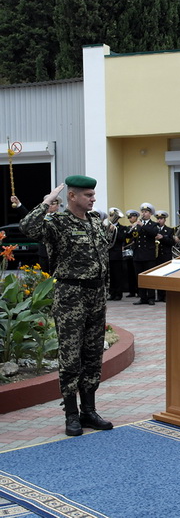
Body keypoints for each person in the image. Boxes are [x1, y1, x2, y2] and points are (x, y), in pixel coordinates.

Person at [20, 176, 114, 437]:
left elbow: (103, 258)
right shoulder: (57, 223)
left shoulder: (96, 222)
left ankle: (90, 411)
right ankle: (71, 415)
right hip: (71, 294)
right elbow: (27, 227)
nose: (93, 199)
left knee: (93, 355)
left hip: (96, 295)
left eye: (93, 194)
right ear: (72, 196)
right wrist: (47, 202)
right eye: (87, 195)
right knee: (71, 355)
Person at [10, 194, 61, 272]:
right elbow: (29, 218)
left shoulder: (61, 218)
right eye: (48, 203)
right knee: (45, 278)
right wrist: (19, 204)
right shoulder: (40, 217)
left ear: (58, 205)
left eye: (53, 203)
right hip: (43, 253)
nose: (50, 205)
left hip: (57, 254)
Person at [131, 203, 158, 305]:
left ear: (150, 214)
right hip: (138, 255)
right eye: (142, 212)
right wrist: (133, 228)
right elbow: (131, 236)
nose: (143, 213)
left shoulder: (153, 224)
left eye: (146, 212)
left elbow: (153, 233)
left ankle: (151, 297)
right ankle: (142, 297)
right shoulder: (137, 224)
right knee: (140, 277)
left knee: (149, 277)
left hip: (148, 255)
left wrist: (143, 225)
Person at [153, 210, 175, 302]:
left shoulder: (169, 230)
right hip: (156, 256)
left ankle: (166, 295)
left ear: (165, 220)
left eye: (161, 218)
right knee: (158, 276)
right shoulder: (153, 229)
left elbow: (172, 242)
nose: (159, 220)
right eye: (158, 219)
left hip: (165, 256)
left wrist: (163, 238)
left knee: (166, 276)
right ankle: (159, 295)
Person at [123, 210, 139, 298]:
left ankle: (138, 290)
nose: (130, 219)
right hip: (128, 252)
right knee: (130, 272)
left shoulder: (138, 226)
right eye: (129, 217)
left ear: (136, 217)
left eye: (131, 217)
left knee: (135, 272)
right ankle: (131, 290)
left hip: (135, 251)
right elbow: (125, 238)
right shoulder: (128, 228)